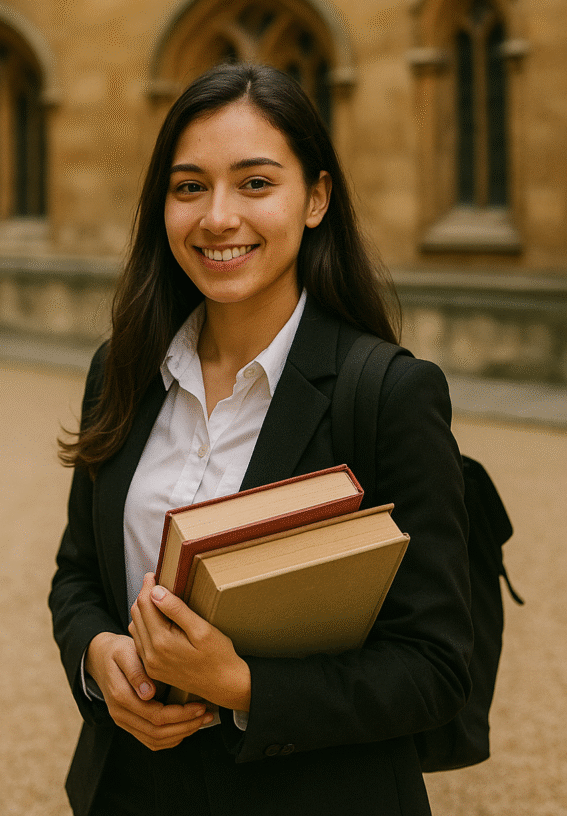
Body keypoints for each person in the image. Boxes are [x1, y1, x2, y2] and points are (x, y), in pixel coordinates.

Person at [49, 63, 473, 816]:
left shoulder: (390, 395)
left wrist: (242, 686)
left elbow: (435, 669)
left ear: (315, 198)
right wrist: (100, 657)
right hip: (130, 793)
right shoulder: (121, 368)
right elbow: (78, 576)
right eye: (189, 186)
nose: (217, 217)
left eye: (254, 183)